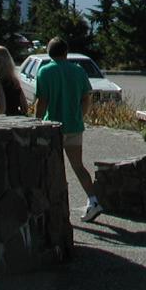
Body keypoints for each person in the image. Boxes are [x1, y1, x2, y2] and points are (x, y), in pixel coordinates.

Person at [34, 36, 102, 222]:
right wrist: (80, 115)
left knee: (53, 167)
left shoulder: (45, 71)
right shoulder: (78, 71)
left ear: (49, 52)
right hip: (74, 126)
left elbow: (42, 101)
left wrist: (35, 122)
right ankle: (93, 200)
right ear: (66, 52)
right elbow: (86, 97)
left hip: (52, 127)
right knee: (78, 165)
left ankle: (55, 206)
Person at [0, 44, 28, 116]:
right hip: (16, 122)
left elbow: (1, 108)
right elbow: (25, 107)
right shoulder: (14, 80)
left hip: (2, 124)